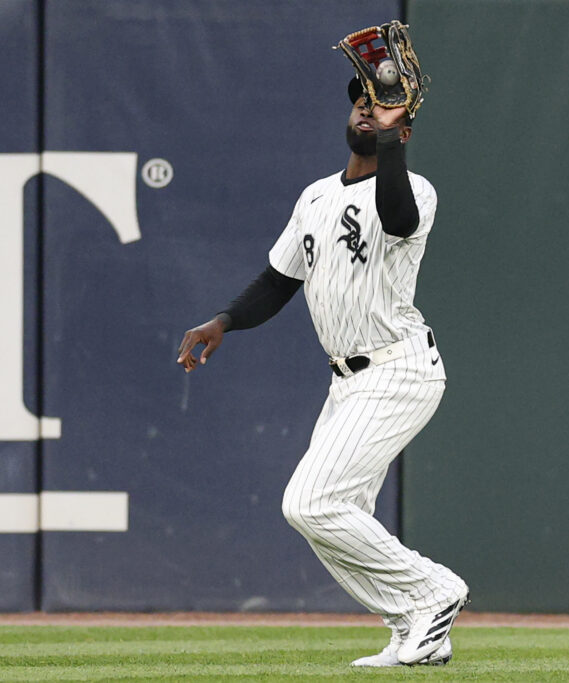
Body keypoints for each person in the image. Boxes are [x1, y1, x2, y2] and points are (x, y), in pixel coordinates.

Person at [176, 77, 468, 667]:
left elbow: (397, 218)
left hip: (397, 368)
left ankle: (434, 590)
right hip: (347, 381)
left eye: (381, 109)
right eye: (361, 103)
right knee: (335, 519)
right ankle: (414, 625)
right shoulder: (314, 197)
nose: (367, 108)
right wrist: (223, 321)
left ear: (402, 132)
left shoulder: (414, 188)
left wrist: (390, 143)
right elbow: (279, 281)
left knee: (308, 502)